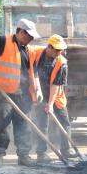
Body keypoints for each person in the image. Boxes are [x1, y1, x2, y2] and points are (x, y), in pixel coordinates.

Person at [0, 19, 41, 166]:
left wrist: (37, 89)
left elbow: (32, 72)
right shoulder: (3, 41)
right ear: (21, 32)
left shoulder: (29, 50)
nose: (31, 39)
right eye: (29, 36)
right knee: (2, 125)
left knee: (24, 125)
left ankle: (23, 156)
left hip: (24, 95)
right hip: (4, 93)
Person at [32, 34, 77, 162]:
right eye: (57, 50)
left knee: (65, 123)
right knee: (42, 124)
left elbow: (56, 85)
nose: (59, 52)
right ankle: (42, 154)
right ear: (49, 47)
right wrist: (39, 96)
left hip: (56, 97)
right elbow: (32, 73)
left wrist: (50, 104)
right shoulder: (37, 55)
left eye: (61, 50)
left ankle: (66, 151)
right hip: (40, 96)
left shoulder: (62, 63)